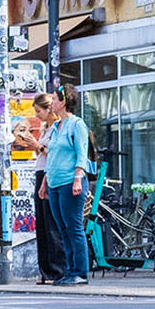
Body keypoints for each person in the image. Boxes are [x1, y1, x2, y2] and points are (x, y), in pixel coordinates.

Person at [43, 87, 93, 286]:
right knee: (62, 229)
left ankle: (80, 272)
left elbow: (82, 152)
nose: (52, 103)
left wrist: (78, 178)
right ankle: (69, 270)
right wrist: (45, 182)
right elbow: (53, 156)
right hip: (55, 183)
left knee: (74, 228)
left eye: (54, 99)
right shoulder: (56, 127)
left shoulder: (76, 125)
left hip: (70, 182)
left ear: (63, 102)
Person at [19, 94, 66, 284]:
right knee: (42, 226)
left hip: (50, 174)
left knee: (51, 224)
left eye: (39, 111)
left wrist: (37, 146)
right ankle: (46, 270)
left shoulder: (58, 129)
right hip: (40, 172)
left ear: (49, 109)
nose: (37, 115)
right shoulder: (47, 129)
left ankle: (57, 270)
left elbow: (55, 154)